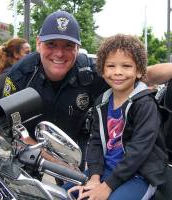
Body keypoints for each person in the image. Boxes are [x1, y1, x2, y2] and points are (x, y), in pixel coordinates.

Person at [0, 10, 172, 169]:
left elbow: (146, 73)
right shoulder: (20, 76)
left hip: (83, 158)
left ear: (77, 49)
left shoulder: (88, 72)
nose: (59, 53)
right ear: (38, 44)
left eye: (68, 45)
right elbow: (8, 124)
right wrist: (47, 158)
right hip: (35, 157)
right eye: (51, 44)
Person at [68, 34, 166, 200]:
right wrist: (94, 177)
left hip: (139, 175)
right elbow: (96, 141)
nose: (118, 72)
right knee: (62, 193)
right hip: (106, 170)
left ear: (139, 70)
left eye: (126, 66)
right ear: (102, 70)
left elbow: (139, 151)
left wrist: (107, 186)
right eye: (111, 66)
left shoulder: (145, 105)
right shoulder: (102, 101)